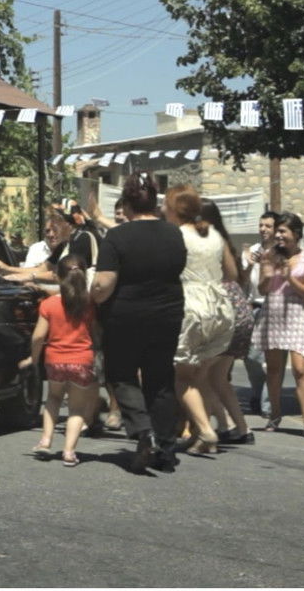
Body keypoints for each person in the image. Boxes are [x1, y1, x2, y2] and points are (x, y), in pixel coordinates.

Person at [90, 172, 187, 473]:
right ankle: (167, 451)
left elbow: (104, 284)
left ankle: (143, 431)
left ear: (128, 205)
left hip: (126, 317)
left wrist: (92, 295)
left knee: (122, 375)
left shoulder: (118, 237)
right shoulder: (174, 234)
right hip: (167, 315)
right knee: (160, 380)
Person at [164, 185, 236, 455]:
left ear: (174, 209)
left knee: (182, 379)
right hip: (220, 308)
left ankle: (206, 431)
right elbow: (232, 273)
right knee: (200, 378)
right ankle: (202, 438)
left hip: (192, 308)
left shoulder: (176, 235)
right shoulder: (214, 234)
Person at [25, 254, 99, 467]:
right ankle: (69, 452)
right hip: (82, 360)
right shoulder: (89, 304)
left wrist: (33, 357)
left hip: (55, 359)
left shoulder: (49, 304)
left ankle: (46, 439)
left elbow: (38, 336)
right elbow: (95, 333)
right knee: (76, 409)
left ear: (57, 277)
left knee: (53, 399)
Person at [251, 212, 304, 436]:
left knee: (300, 368)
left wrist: (289, 276)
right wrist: (270, 271)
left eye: (282, 231)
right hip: (273, 311)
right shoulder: (270, 254)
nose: (278, 235)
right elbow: (262, 289)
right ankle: (275, 415)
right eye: (277, 231)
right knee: (273, 369)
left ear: (296, 234)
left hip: (296, 312)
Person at [200, 199, 256, 445]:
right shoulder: (225, 242)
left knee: (198, 374)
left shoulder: (209, 243)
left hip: (223, 315)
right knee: (218, 377)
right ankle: (239, 428)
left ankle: (213, 428)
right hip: (240, 314)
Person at [240, 211, 278, 416]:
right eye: (261, 225)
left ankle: (267, 406)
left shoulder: (281, 252)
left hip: (275, 307)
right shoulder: (252, 250)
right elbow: (242, 280)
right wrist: (250, 264)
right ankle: (257, 392)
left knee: (271, 359)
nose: (263, 229)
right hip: (254, 306)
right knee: (252, 357)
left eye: (268, 226)